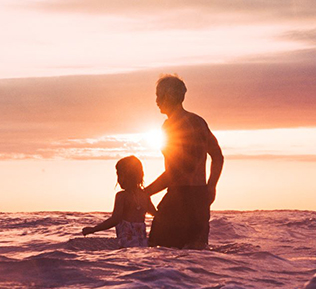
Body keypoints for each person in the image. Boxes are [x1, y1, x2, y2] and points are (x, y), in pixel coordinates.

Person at [145, 74, 223, 249]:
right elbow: (217, 156)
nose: (156, 101)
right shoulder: (199, 121)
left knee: (158, 252)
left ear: (169, 96)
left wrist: (146, 192)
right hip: (200, 199)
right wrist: (211, 186)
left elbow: (181, 169)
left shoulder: (172, 125)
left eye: (159, 95)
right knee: (195, 259)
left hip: (180, 199)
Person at [81, 156, 156, 248]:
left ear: (127, 176)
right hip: (143, 244)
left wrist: (94, 229)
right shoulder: (145, 195)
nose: (118, 179)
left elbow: (115, 219)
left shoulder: (122, 196)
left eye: (119, 175)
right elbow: (155, 214)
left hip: (127, 245)